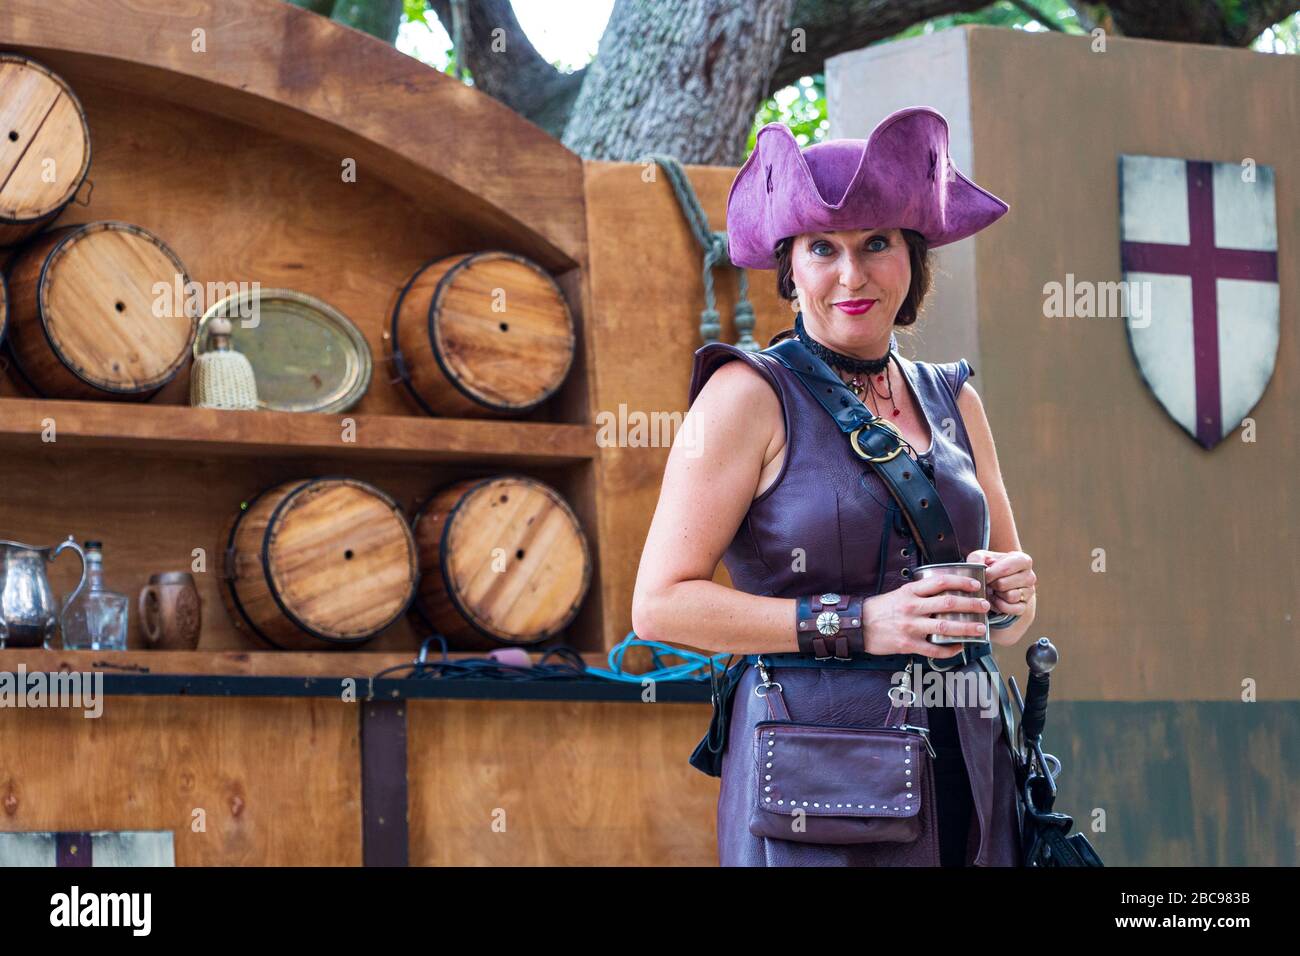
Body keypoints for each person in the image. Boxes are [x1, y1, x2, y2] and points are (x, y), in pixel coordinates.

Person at [632, 107, 1038, 866]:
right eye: (824, 248)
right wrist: (862, 623)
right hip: (820, 792)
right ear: (791, 268)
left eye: (876, 244)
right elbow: (659, 604)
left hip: (972, 767)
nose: (851, 275)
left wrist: (1007, 593)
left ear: (912, 258)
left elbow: (1006, 617)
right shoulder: (744, 394)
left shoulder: (956, 398)